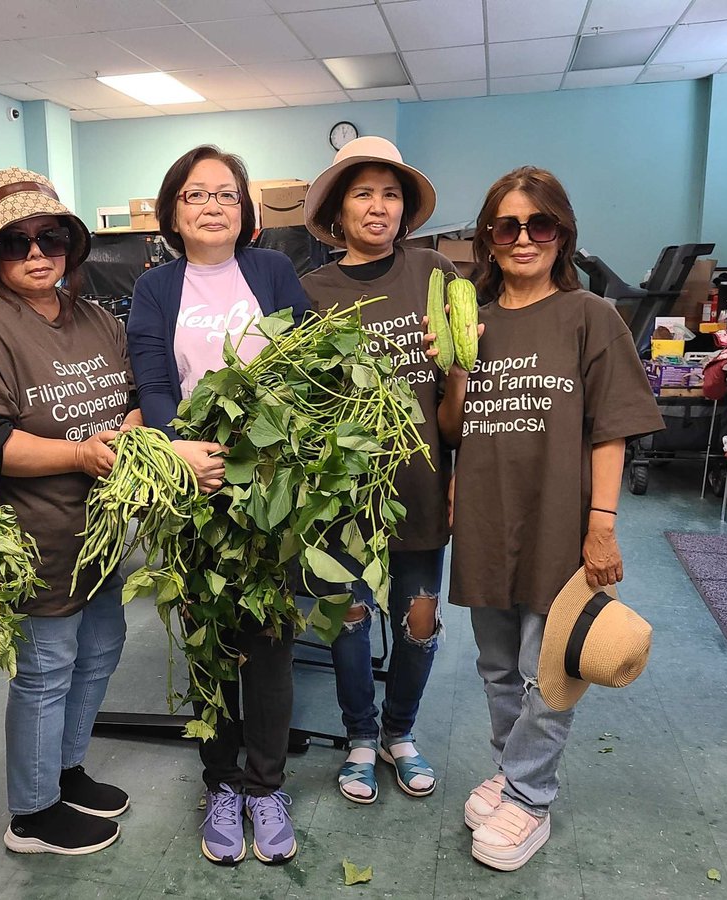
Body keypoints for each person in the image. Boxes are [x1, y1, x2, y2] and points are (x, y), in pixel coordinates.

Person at [437, 166, 663, 871]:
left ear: (562, 234)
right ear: (489, 238)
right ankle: (512, 771)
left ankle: (531, 798)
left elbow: (611, 428)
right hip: (483, 513)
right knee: (498, 666)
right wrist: (456, 362)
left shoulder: (590, 316)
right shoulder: (469, 316)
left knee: (549, 667)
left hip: (559, 518)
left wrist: (602, 522)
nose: (524, 238)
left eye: (540, 225)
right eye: (508, 226)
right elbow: (451, 428)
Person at [0, 168, 136, 859]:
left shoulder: (95, 319)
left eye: (49, 236)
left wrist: (132, 436)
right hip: (37, 538)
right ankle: (32, 812)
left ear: (71, 244)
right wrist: (80, 456)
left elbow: (132, 396)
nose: (36, 252)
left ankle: (66, 768)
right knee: (47, 669)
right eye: (16, 242)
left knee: (101, 651)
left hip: (104, 534)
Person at [126, 145, 308, 866]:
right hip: (196, 484)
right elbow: (155, 383)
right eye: (196, 194)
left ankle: (265, 785)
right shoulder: (154, 288)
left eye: (226, 195)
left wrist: (271, 451)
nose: (211, 206)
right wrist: (179, 449)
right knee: (209, 640)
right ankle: (222, 783)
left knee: (269, 643)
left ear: (245, 211)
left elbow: (305, 368)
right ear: (174, 210)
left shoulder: (273, 272)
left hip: (272, 484)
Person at [300, 136, 457, 806]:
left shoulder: (437, 274)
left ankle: (401, 733)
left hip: (421, 484)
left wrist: (459, 477)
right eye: (363, 192)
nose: (379, 206)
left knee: (419, 619)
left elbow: (459, 393)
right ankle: (360, 738)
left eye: (390, 193)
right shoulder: (308, 291)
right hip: (344, 495)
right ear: (339, 209)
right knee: (352, 619)